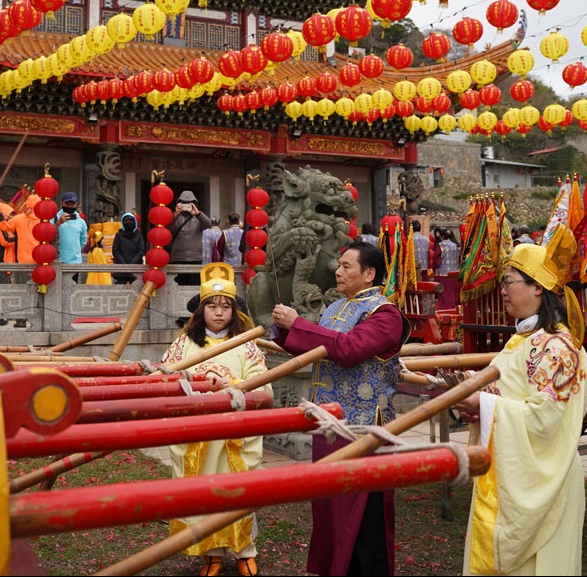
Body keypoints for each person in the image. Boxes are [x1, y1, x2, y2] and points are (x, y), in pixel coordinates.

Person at [455, 227, 587, 576]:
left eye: (509, 281)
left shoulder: (558, 348)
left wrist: (483, 404)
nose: (501, 290)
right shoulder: (523, 340)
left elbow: (546, 420)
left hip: (547, 477)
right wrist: (471, 392)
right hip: (510, 469)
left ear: (537, 288)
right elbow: (505, 386)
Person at [270, 240, 410, 576]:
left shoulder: (385, 314)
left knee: (364, 517)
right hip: (329, 422)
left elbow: (347, 349)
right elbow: (319, 344)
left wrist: (299, 324)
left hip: (364, 428)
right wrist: (284, 331)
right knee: (329, 508)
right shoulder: (335, 309)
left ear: (369, 274)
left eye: (347, 266)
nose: (338, 271)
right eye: (340, 264)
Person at [162, 264, 269, 577]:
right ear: (201, 310)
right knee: (203, 493)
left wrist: (232, 385)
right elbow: (165, 375)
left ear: (235, 312)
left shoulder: (247, 346)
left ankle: (244, 551)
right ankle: (211, 553)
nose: (219, 313)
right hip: (198, 434)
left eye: (225, 307)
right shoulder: (184, 344)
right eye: (212, 306)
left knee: (238, 490)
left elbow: (263, 385)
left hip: (235, 434)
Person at [169, 190, 212, 285]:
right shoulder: (175, 217)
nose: (186, 205)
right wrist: (175, 214)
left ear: (194, 204)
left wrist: (197, 213)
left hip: (195, 258)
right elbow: (168, 230)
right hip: (178, 257)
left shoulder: (198, 217)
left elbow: (208, 225)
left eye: (189, 203)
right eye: (183, 203)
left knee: (194, 286)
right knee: (178, 286)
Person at [55, 191, 88, 282]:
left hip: (74, 262)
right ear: (61, 203)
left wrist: (75, 250)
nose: (69, 206)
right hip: (58, 261)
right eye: (67, 203)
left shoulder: (81, 222)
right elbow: (48, 235)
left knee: (72, 290)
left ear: (76, 205)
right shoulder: (54, 218)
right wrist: (58, 223)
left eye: (72, 204)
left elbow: (83, 241)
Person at [112, 211, 146, 284]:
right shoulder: (119, 235)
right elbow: (115, 251)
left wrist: (133, 262)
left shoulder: (138, 235)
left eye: (130, 221)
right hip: (121, 269)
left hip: (135, 268)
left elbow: (141, 250)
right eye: (126, 221)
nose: (128, 223)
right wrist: (124, 263)